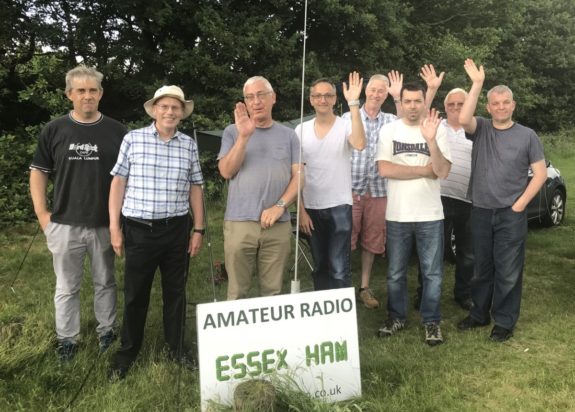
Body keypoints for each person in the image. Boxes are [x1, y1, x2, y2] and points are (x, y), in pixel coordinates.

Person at [29, 65, 127, 361]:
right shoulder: (55, 129)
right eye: (81, 90)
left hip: (104, 223)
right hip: (63, 223)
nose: (87, 96)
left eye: (93, 90)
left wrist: (117, 223)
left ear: (101, 94)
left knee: (105, 281)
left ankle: (106, 332)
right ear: (69, 94)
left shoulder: (117, 131)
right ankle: (67, 339)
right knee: (67, 286)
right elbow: (38, 173)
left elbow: (126, 178)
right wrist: (42, 215)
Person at [108, 85, 205, 379]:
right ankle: (127, 354)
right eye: (165, 106)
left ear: (182, 113)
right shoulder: (133, 139)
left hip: (176, 230)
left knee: (175, 293)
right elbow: (118, 183)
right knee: (136, 295)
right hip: (138, 230)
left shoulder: (188, 144)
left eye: (176, 108)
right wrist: (114, 226)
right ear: (154, 110)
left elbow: (195, 187)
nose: (170, 112)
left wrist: (198, 228)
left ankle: (177, 349)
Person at [457, 59, 546, 342]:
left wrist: (519, 205)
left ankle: (504, 322)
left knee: (508, 271)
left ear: (513, 105)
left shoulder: (527, 136)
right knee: (481, 268)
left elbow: (541, 174)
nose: (501, 107)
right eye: (495, 103)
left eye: (505, 102)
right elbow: (462, 119)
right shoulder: (481, 128)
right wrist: (477, 85)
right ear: (488, 107)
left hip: (511, 214)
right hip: (481, 210)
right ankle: (479, 315)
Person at [342, 65, 443, 309]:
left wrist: (407, 94)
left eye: (382, 91)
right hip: (352, 190)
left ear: (386, 94)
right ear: (366, 90)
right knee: (346, 241)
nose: (377, 94)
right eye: (373, 89)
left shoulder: (389, 121)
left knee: (372, 242)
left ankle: (364, 288)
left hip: (379, 192)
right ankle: (342, 291)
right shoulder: (347, 118)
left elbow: (413, 118)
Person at [375, 83, 452, 346]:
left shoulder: (437, 129)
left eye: (417, 101)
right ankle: (396, 316)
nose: (412, 106)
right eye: (407, 101)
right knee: (395, 272)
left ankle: (431, 321)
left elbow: (441, 171)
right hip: (397, 214)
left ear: (424, 102)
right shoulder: (389, 130)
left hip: (430, 214)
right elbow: (385, 169)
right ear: (401, 103)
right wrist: (422, 170)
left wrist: (430, 140)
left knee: (432, 273)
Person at [218, 76, 302, 300]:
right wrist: (244, 137)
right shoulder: (232, 132)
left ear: (273, 98)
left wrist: (280, 206)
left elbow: (300, 177)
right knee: (237, 291)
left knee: (273, 292)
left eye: (261, 95)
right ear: (245, 102)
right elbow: (226, 171)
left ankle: (269, 336)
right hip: (239, 222)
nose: (256, 101)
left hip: (277, 223)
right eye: (249, 97)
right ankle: (236, 336)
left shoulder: (289, 135)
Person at [297, 73, 366, 290]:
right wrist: (300, 210)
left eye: (328, 95)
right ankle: (323, 316)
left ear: (335, 99)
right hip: (311, 207)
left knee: (339, 267)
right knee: (320, 266)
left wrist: (353, 104)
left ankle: (343, 320)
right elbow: (296, 173)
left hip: (339, 206)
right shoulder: (301, 129)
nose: (323, 100)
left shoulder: (345, 124)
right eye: (318, 96)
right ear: (311, 100)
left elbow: (360, 143)